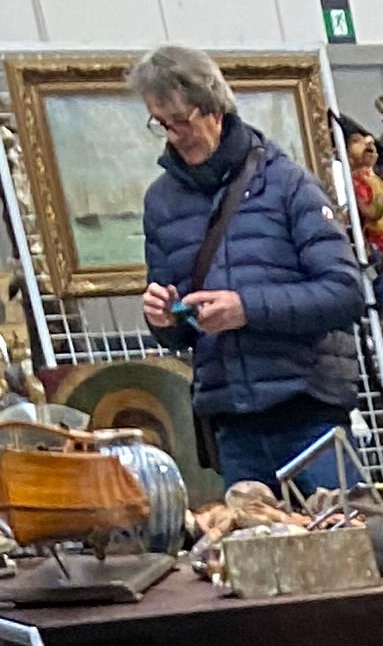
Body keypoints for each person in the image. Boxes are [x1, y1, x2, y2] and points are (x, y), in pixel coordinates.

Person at [129, 43, 367, 494]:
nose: (176, 135)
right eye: (162, 123)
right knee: (255, 555)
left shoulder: (288, 184)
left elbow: (345, 292)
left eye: (183, 120)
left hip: (309, 413)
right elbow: (177, 328)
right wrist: (162, 317)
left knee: (341, 549)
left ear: (215, 107)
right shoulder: (160, 202)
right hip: (232, 424)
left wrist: (247, 308)